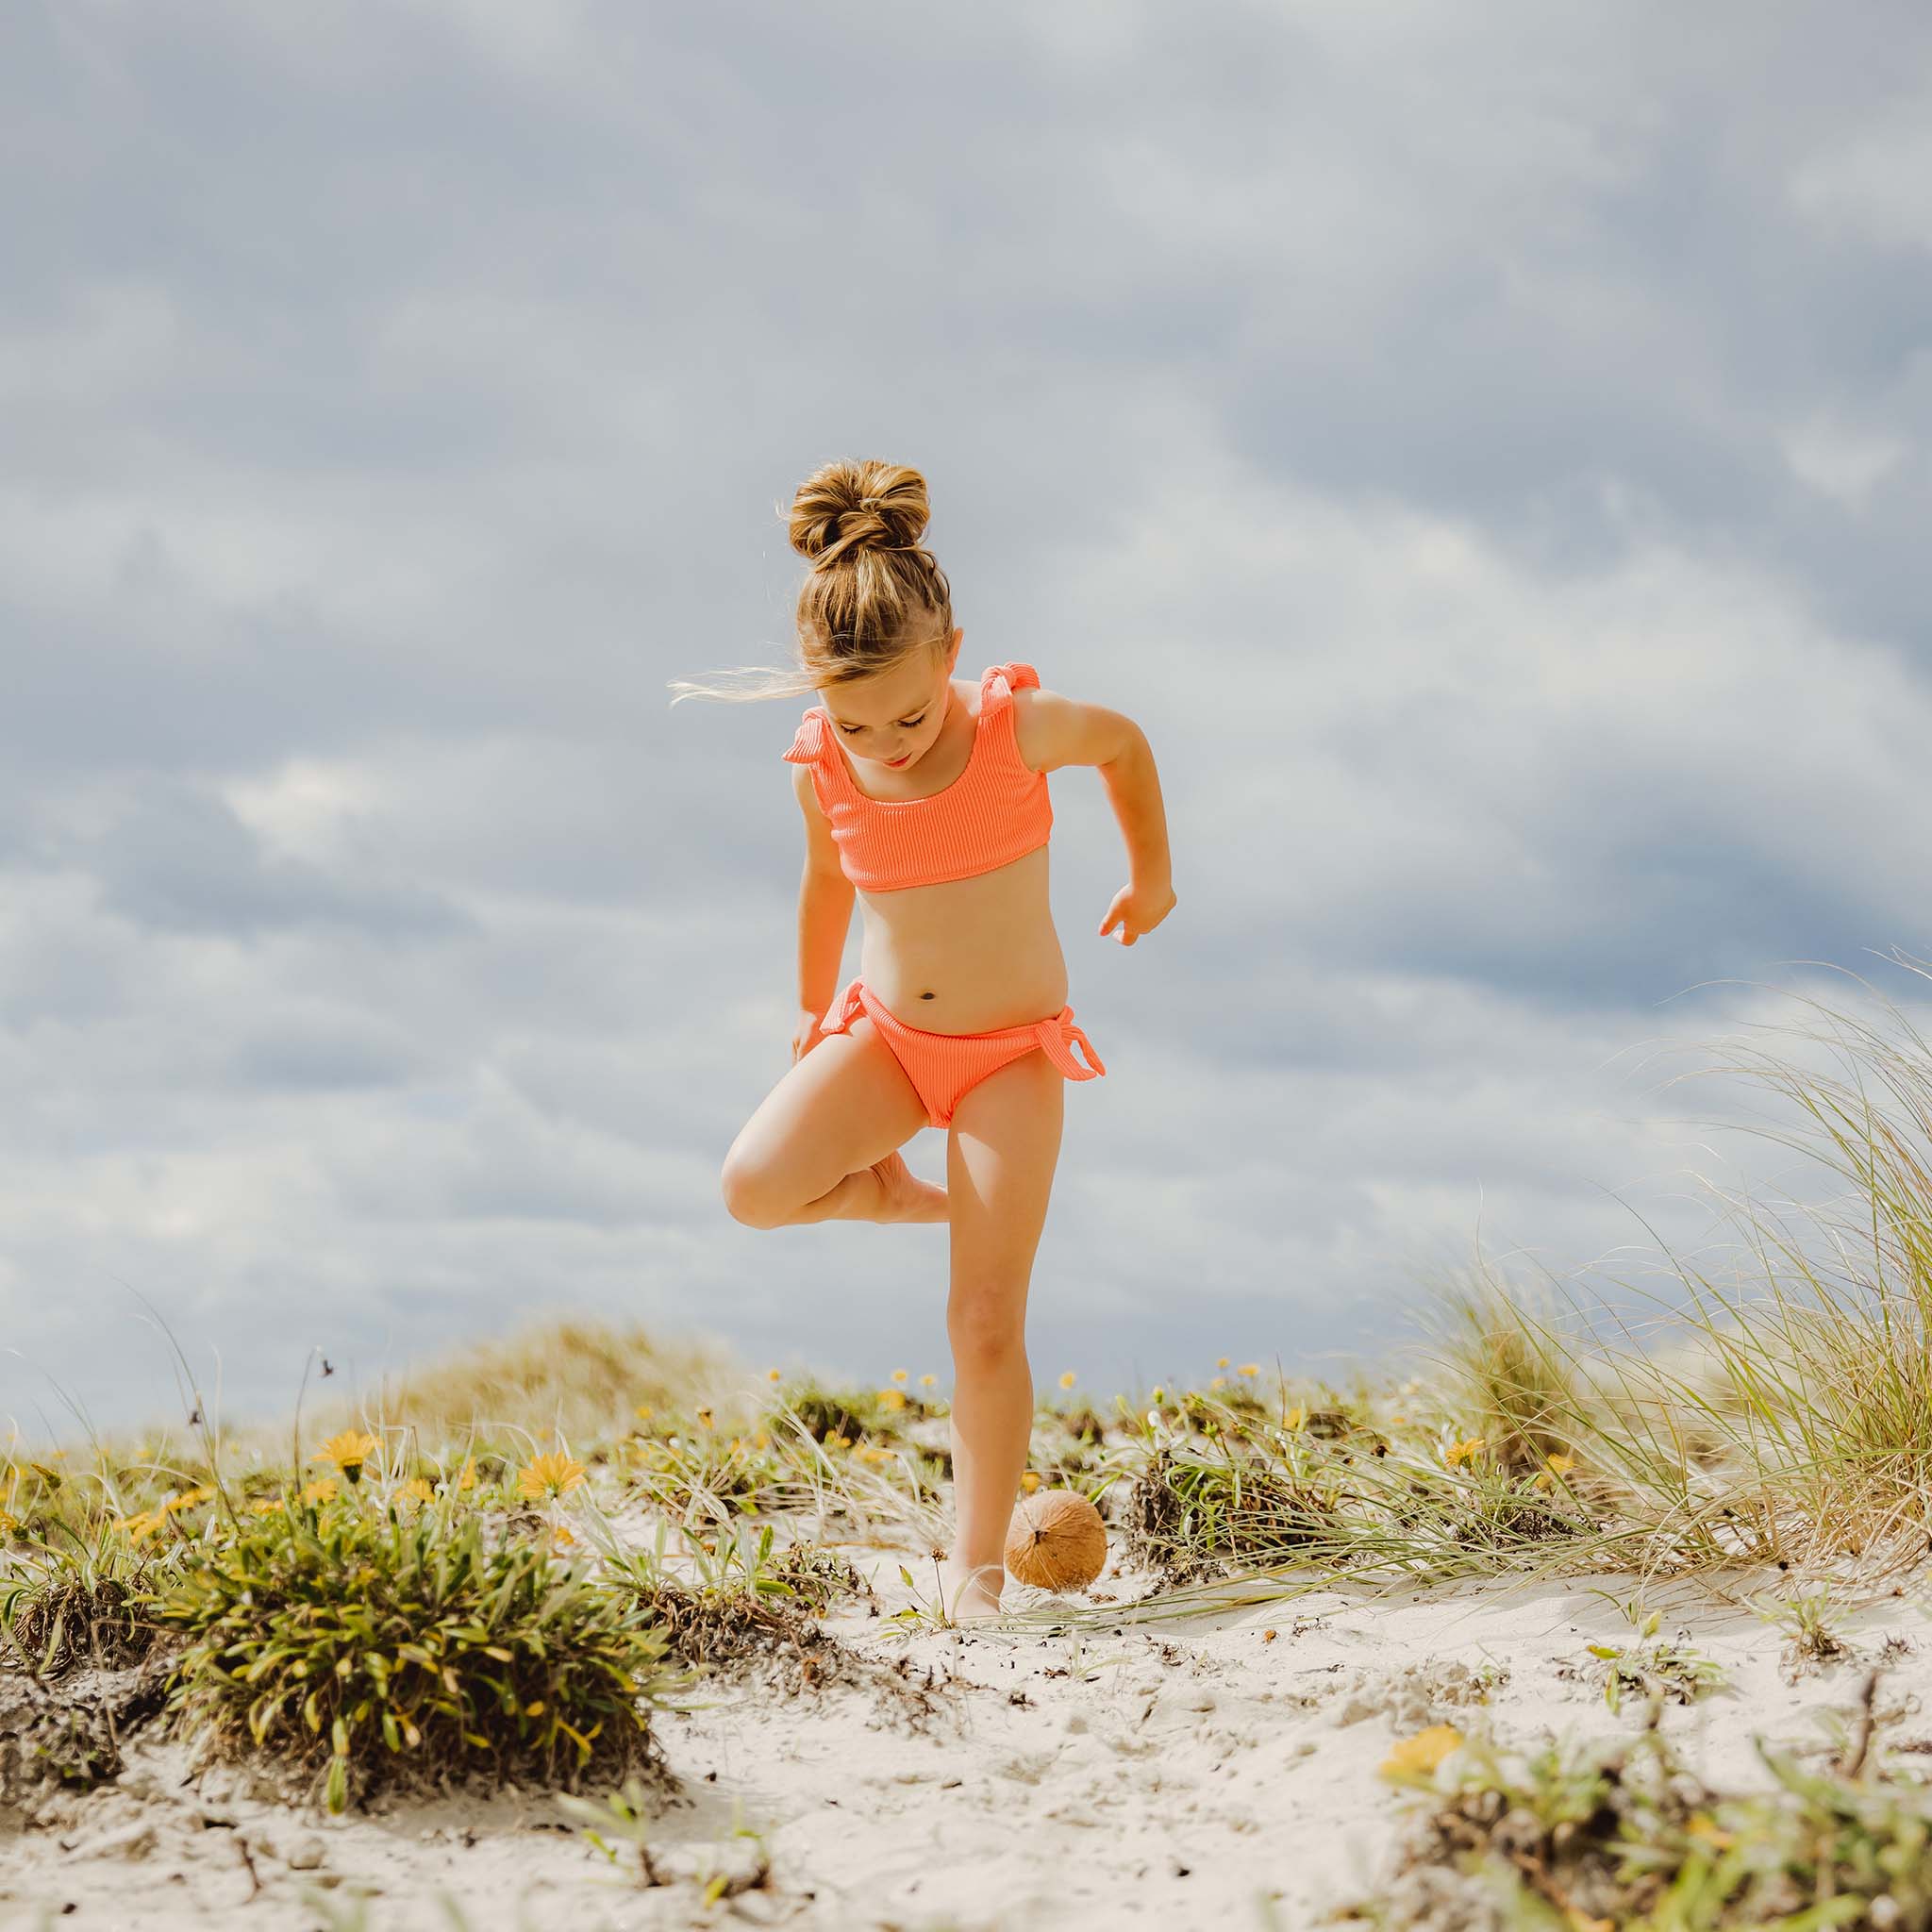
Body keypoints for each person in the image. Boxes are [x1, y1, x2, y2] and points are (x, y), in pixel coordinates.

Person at [670, 458, 1175, 1622]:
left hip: (1007, 1055)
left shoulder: (1015, 729)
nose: (887, 740)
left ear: (950, 652)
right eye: (856, 719)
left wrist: (1149, 880)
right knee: (753, 1184)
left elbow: (1126, 743)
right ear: (816, 693)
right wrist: (809, 1015)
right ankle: (886, 1192)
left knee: (982, 1318)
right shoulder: (822, 764)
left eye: (908, 710)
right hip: (890, 1040)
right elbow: (821, 888)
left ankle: (976, 1568)